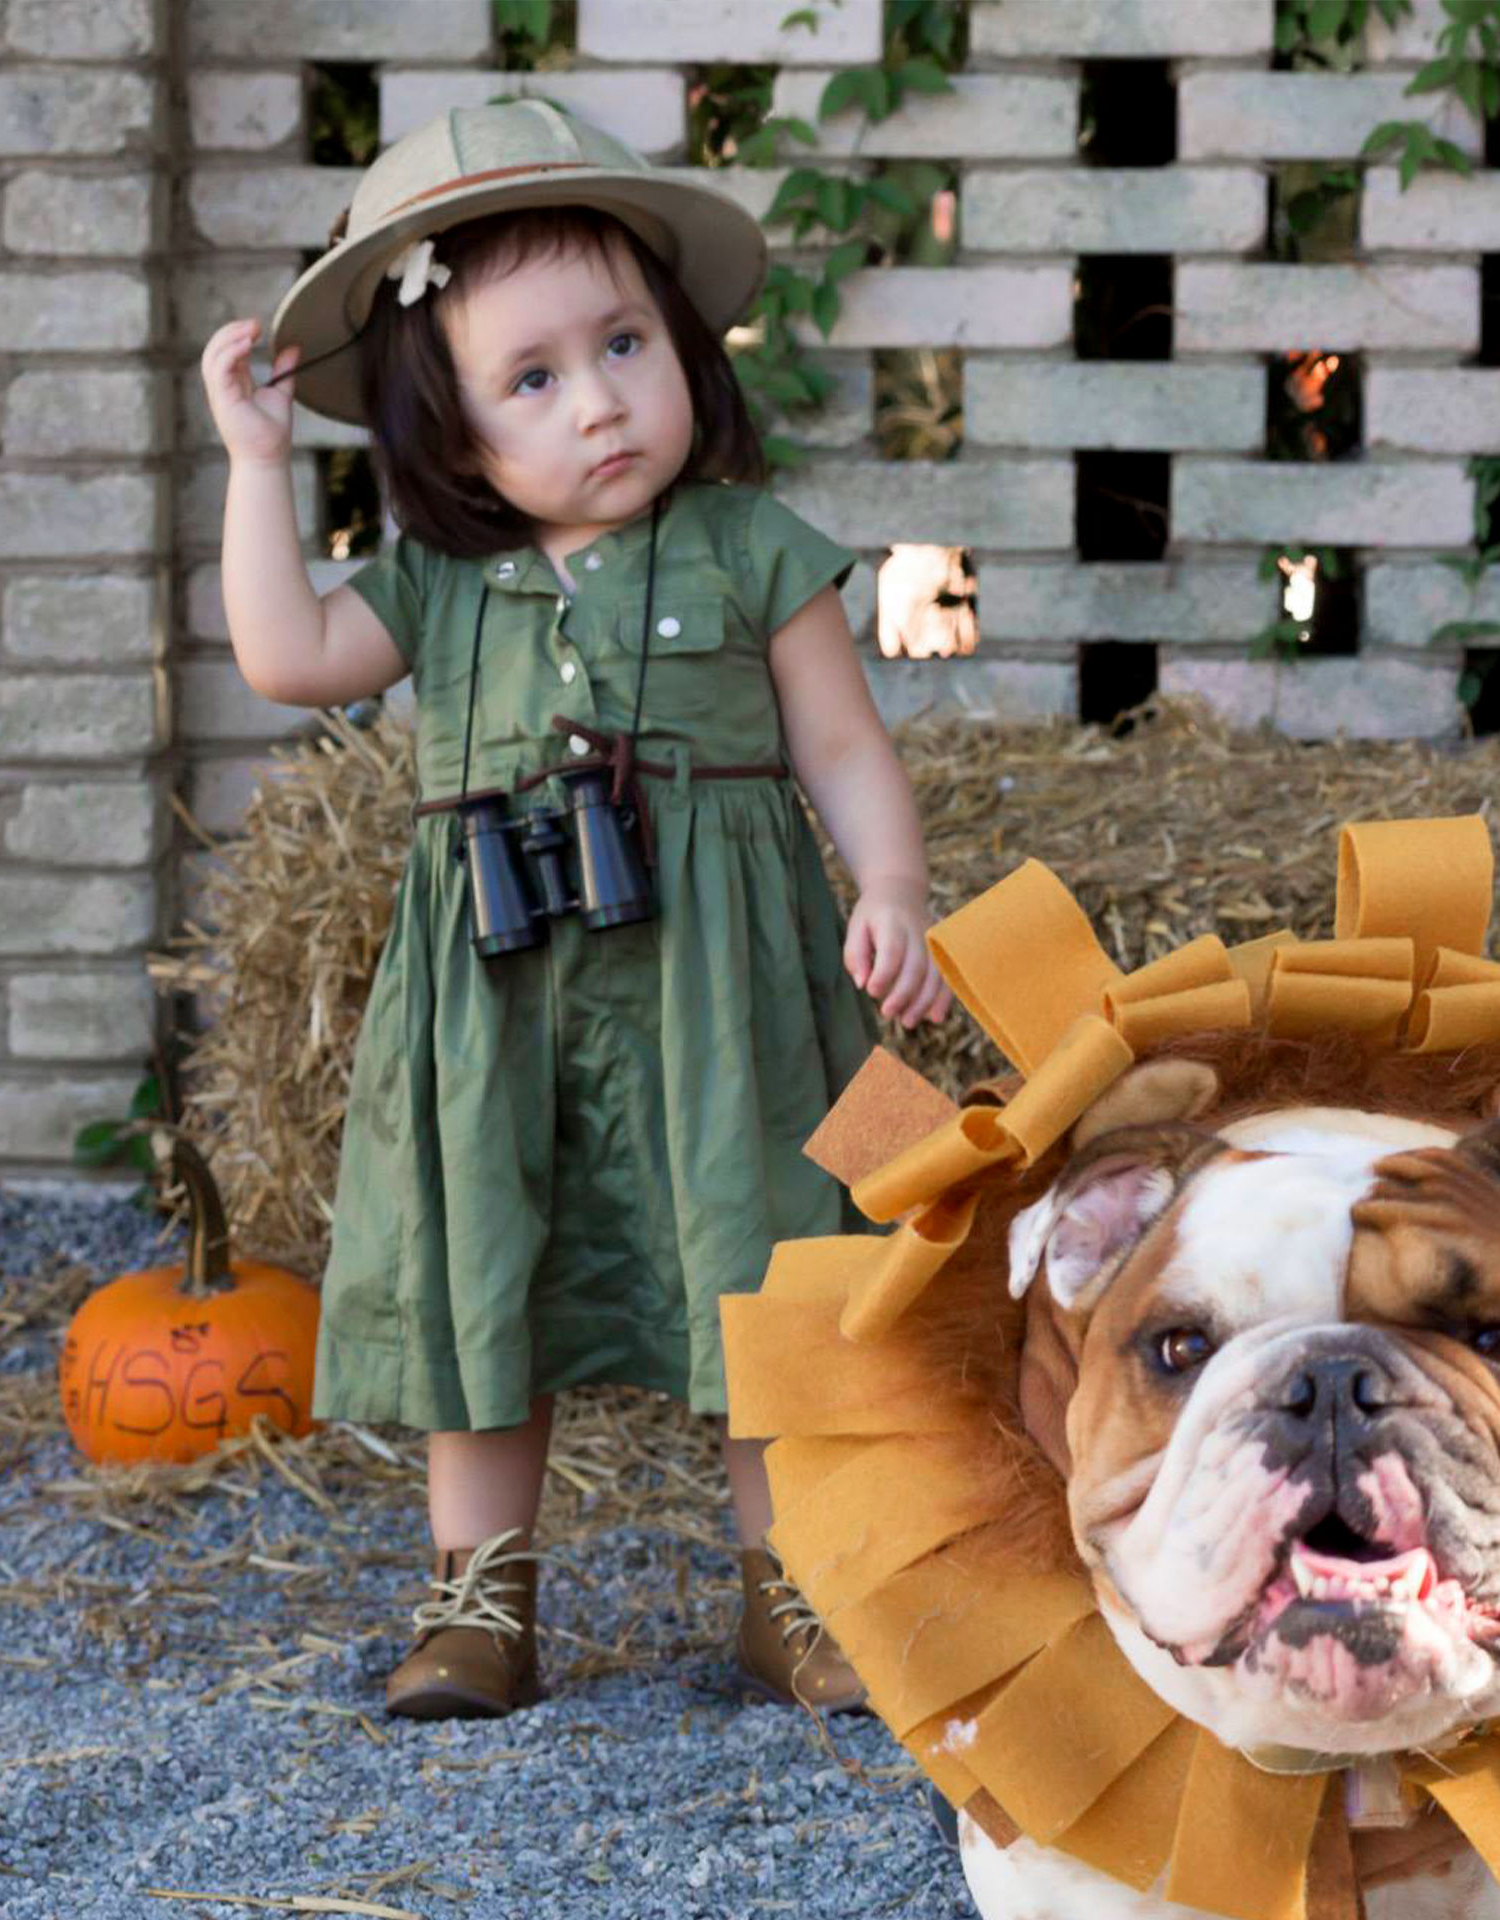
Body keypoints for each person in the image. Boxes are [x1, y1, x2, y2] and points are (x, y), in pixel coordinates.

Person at [196, 99, 953, 1722]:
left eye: (624, 344)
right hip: (502, 993)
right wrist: (259, 465)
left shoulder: (756, 547)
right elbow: (283, 659)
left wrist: (892, 887)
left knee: (771, 1271)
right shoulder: (440, 582)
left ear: (685, 343)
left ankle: (792, 1584)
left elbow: (840, 745)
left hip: (731, 999)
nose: (600, 402)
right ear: (449, 431)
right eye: (532, 379)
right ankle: (483, 1602)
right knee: (490, 1265)